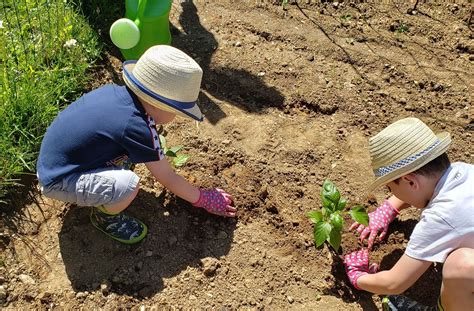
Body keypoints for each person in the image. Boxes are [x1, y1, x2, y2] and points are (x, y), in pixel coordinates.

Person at [37, 45, 236, 244]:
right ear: (160, 105)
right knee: (128, 185)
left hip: (57, 161)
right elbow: (167, 177)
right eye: (176, 111)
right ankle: (105, 218)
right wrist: (202, 198)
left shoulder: (117, 93)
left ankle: (101, 186)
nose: (176, 117)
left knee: (126, 157)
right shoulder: (138, 127)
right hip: (59, 180)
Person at [343, 117, 474, 311]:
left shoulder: (440, 218)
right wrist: (389, 208)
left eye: (391, 188)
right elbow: (423, 189)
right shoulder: (464, 171)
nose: (393, 194)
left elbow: (394, 283)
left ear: (410, 181)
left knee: (461, 266)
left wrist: (359, 278)